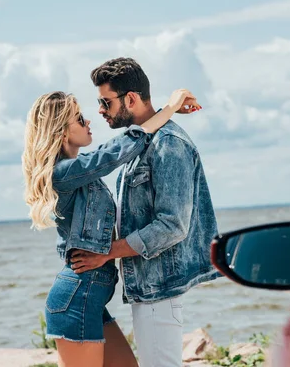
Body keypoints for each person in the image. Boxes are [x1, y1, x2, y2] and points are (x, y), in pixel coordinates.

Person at [22, 88, 201, 367]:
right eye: (79, 119)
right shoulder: (64, 173)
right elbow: (114, 152)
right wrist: (168, 109)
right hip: (76, 300)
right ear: (62, 133)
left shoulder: (80, 175)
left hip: (89, 301)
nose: (89, 121)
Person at [70, 57, 220, 367]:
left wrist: (107, 253)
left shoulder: (168, 145)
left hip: (159, 290)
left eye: (105, 102)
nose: (100, 110)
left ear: (132, 98)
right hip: (149, 289)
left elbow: (172, 225)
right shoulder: (141, 144)